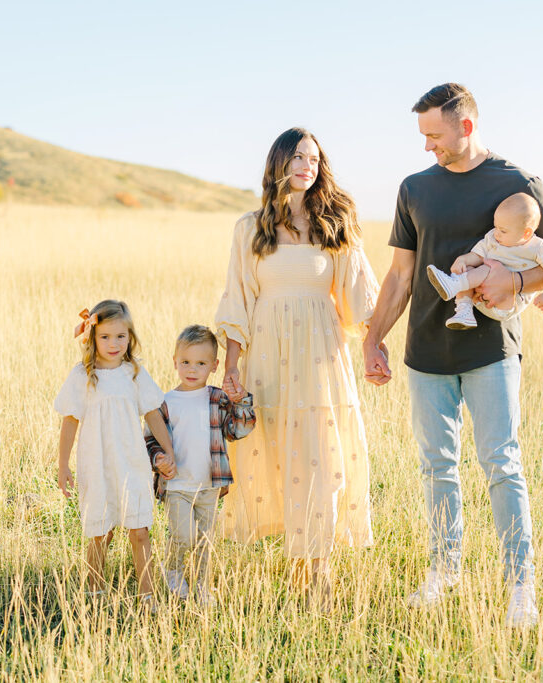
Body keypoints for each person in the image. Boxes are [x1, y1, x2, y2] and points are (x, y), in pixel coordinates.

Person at [362, 83, 543, 627]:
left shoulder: (517, 183)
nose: (427, 146)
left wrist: (517, 277)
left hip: (491, 350)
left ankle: (520, 587)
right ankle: (444, 573)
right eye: (423, 136)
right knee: (437, 467)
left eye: (434, 135)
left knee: (501, 465)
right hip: (426, 351)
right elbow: (400, 276)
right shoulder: (414, 187)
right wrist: (372, 339)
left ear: (466, 125)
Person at [215, 127, 379, 609]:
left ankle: (321, 573)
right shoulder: (251, 228)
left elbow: (357, 297)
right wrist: (231, 369)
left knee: (323, 458)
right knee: (283, 456)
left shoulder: (336, 223)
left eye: (313, 158)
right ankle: (295, 567)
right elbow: (238, 300)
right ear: (279, 164)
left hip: (322, 358)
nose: (306, 165)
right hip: (267, 358)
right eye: (297, 157)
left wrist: (377, 344)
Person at [54, 299, 176, 611]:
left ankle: (148, 597)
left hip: (131, 463)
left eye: (120, 336)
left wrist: (168, 450)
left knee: (139, 531)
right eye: (105, 337)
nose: (113, 344)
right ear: (92, 338)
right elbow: (70, 421)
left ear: (130, 337)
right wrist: (62, 464)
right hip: (96, 464)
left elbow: (152, 415)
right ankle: (94, 593)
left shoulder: (134, 373)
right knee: (101, 532)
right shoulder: (83, 375)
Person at [144, 324, 256, 607]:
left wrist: (242, 401)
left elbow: (237, 430)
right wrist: (158, 458)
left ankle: (201, 585)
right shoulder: (165, 402)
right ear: (174, 362)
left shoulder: (217, 399)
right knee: (182, 534)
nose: (191, 369)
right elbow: (151, 440)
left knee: (206, 540)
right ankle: (174, 571)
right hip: (178, 485)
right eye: (185, 362)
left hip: (209, 485)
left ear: (215, 366)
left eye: (201, 363)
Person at [425, 192, 543, 329]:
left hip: (509, 303)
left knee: (489, 268)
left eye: (503, 230)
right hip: (480, 299)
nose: (497, 233)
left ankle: (455, 284)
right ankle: (464, 312)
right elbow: (478, 256)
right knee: (467, 270)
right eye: (496, 226)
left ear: (526, 233)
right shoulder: (493, 238)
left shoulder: (538, 247)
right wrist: (462, 260)